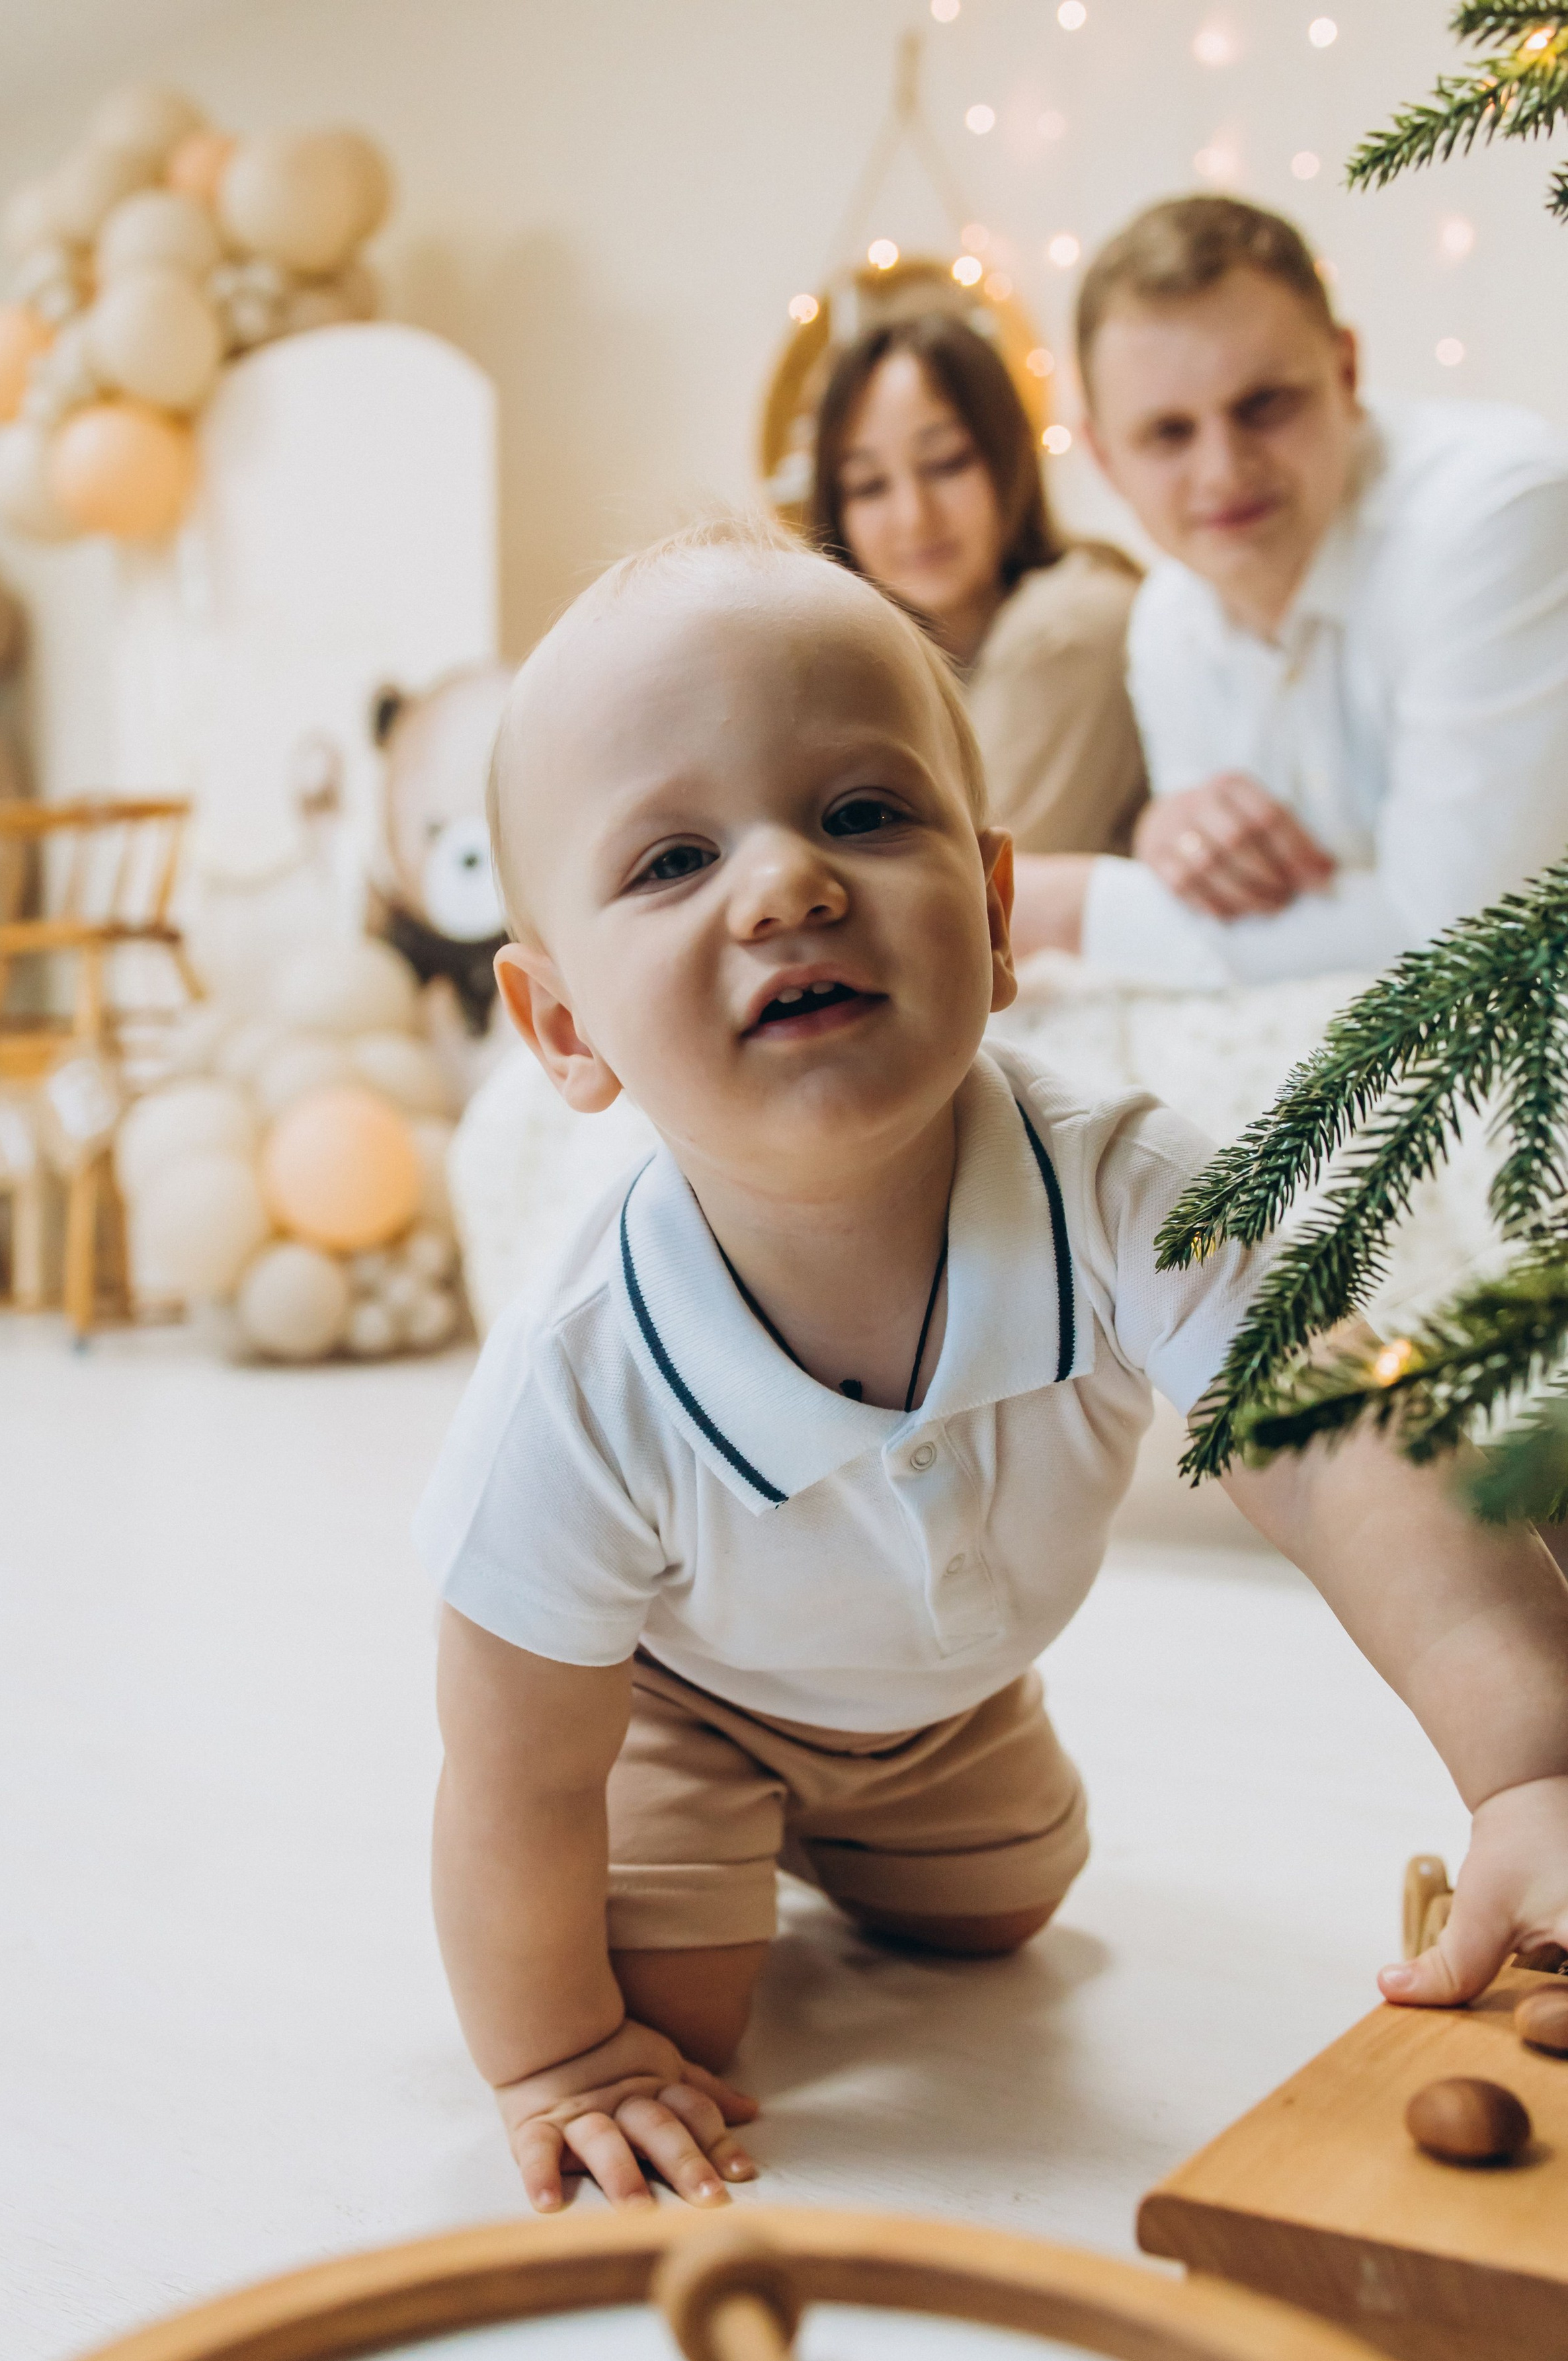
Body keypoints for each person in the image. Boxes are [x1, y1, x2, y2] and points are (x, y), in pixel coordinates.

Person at [416, 518, 1568, 2212]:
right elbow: (511, 1768)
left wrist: (1526, 1764)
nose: (788, 885)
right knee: (676, 2020)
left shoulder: (1124, 1189)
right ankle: (715, 1857)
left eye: (863, 814)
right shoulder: (578, 1374)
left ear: (997, 904)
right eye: (670, 861)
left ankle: (875, 1809)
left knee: (1000, 1912)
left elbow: (1348, 1454)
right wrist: (549, 2051)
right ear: (564, 1029)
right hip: (672, 1701)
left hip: (942, 1700)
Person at [1012, 195, 1568, 985]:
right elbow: (1238, 921)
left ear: (1345, 374)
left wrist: (1070, 907)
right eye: (1168, 434)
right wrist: (1171, 840)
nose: (1223, 472)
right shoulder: (1165, 621)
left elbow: (1460, 934)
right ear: (1105, 459)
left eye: (1263, 405)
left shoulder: (1497, 520)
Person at [813, 310, 1147, 857]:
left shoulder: (1072, 624)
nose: (914, 516)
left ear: (1007, 457)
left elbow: (969, 898)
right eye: (869, 485)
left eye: (946, 463)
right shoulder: (872, 674)